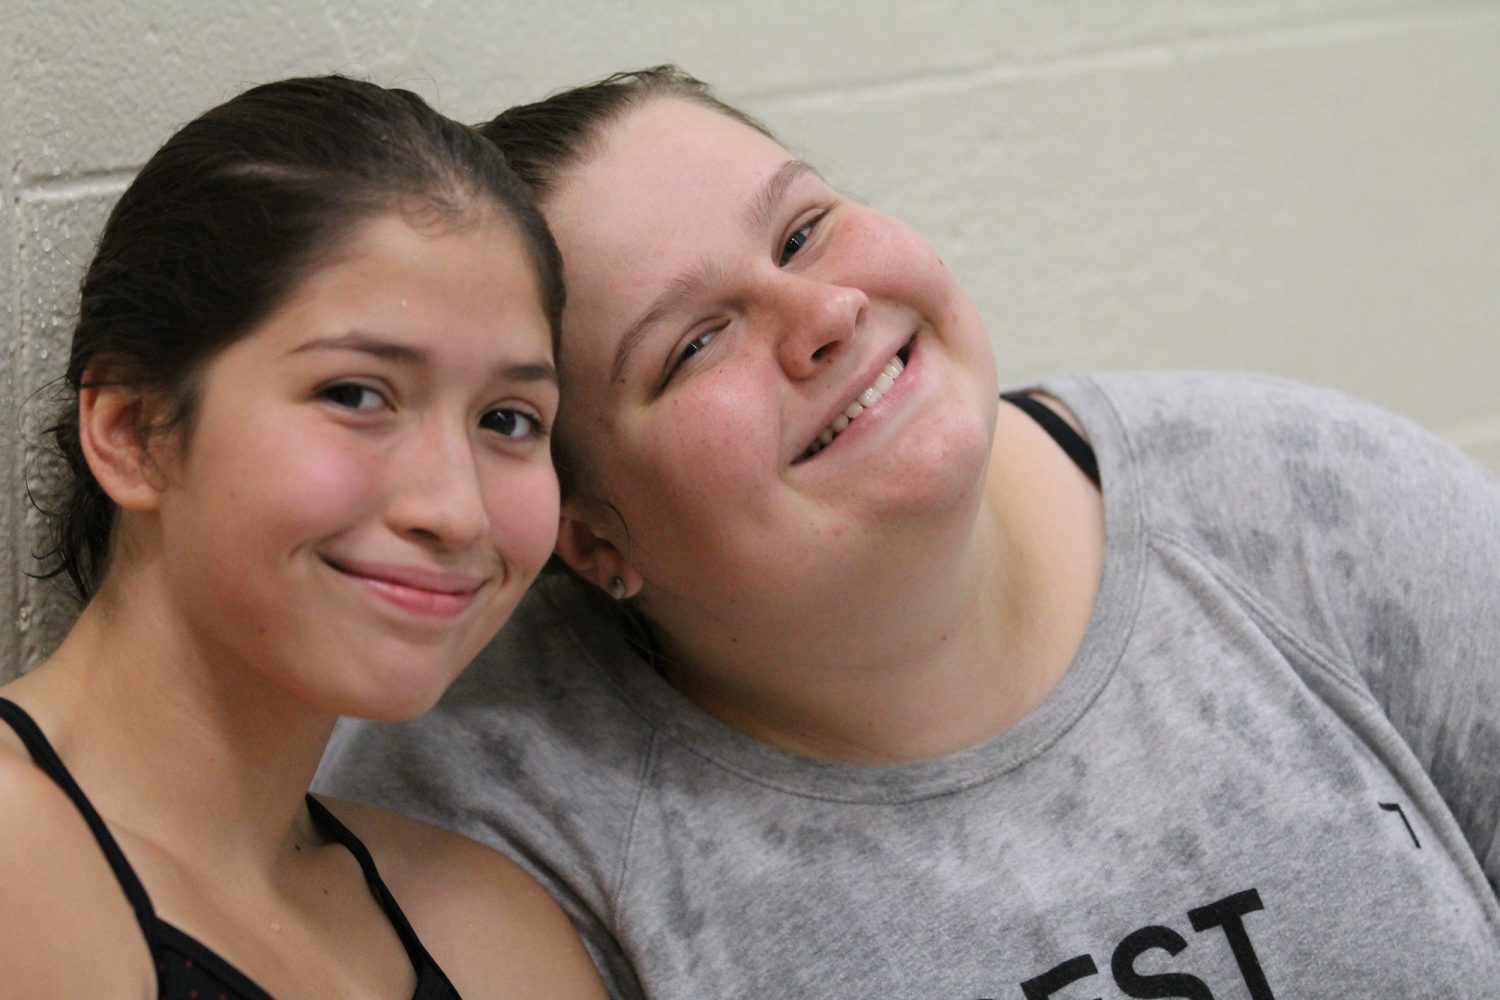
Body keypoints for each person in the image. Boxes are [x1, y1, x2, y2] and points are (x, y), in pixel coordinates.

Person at [318, 67, 1500, 998]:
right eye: (694, 343)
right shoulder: (484, 814)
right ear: (592, 542)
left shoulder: (1311, 505)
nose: (824, 312)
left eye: (802, 232)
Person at [0, 75, 606, 999]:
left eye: (510, 419)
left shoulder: (492, 929)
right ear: (133, 433)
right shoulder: (17, 859)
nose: (457, 510)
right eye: (356, 394)